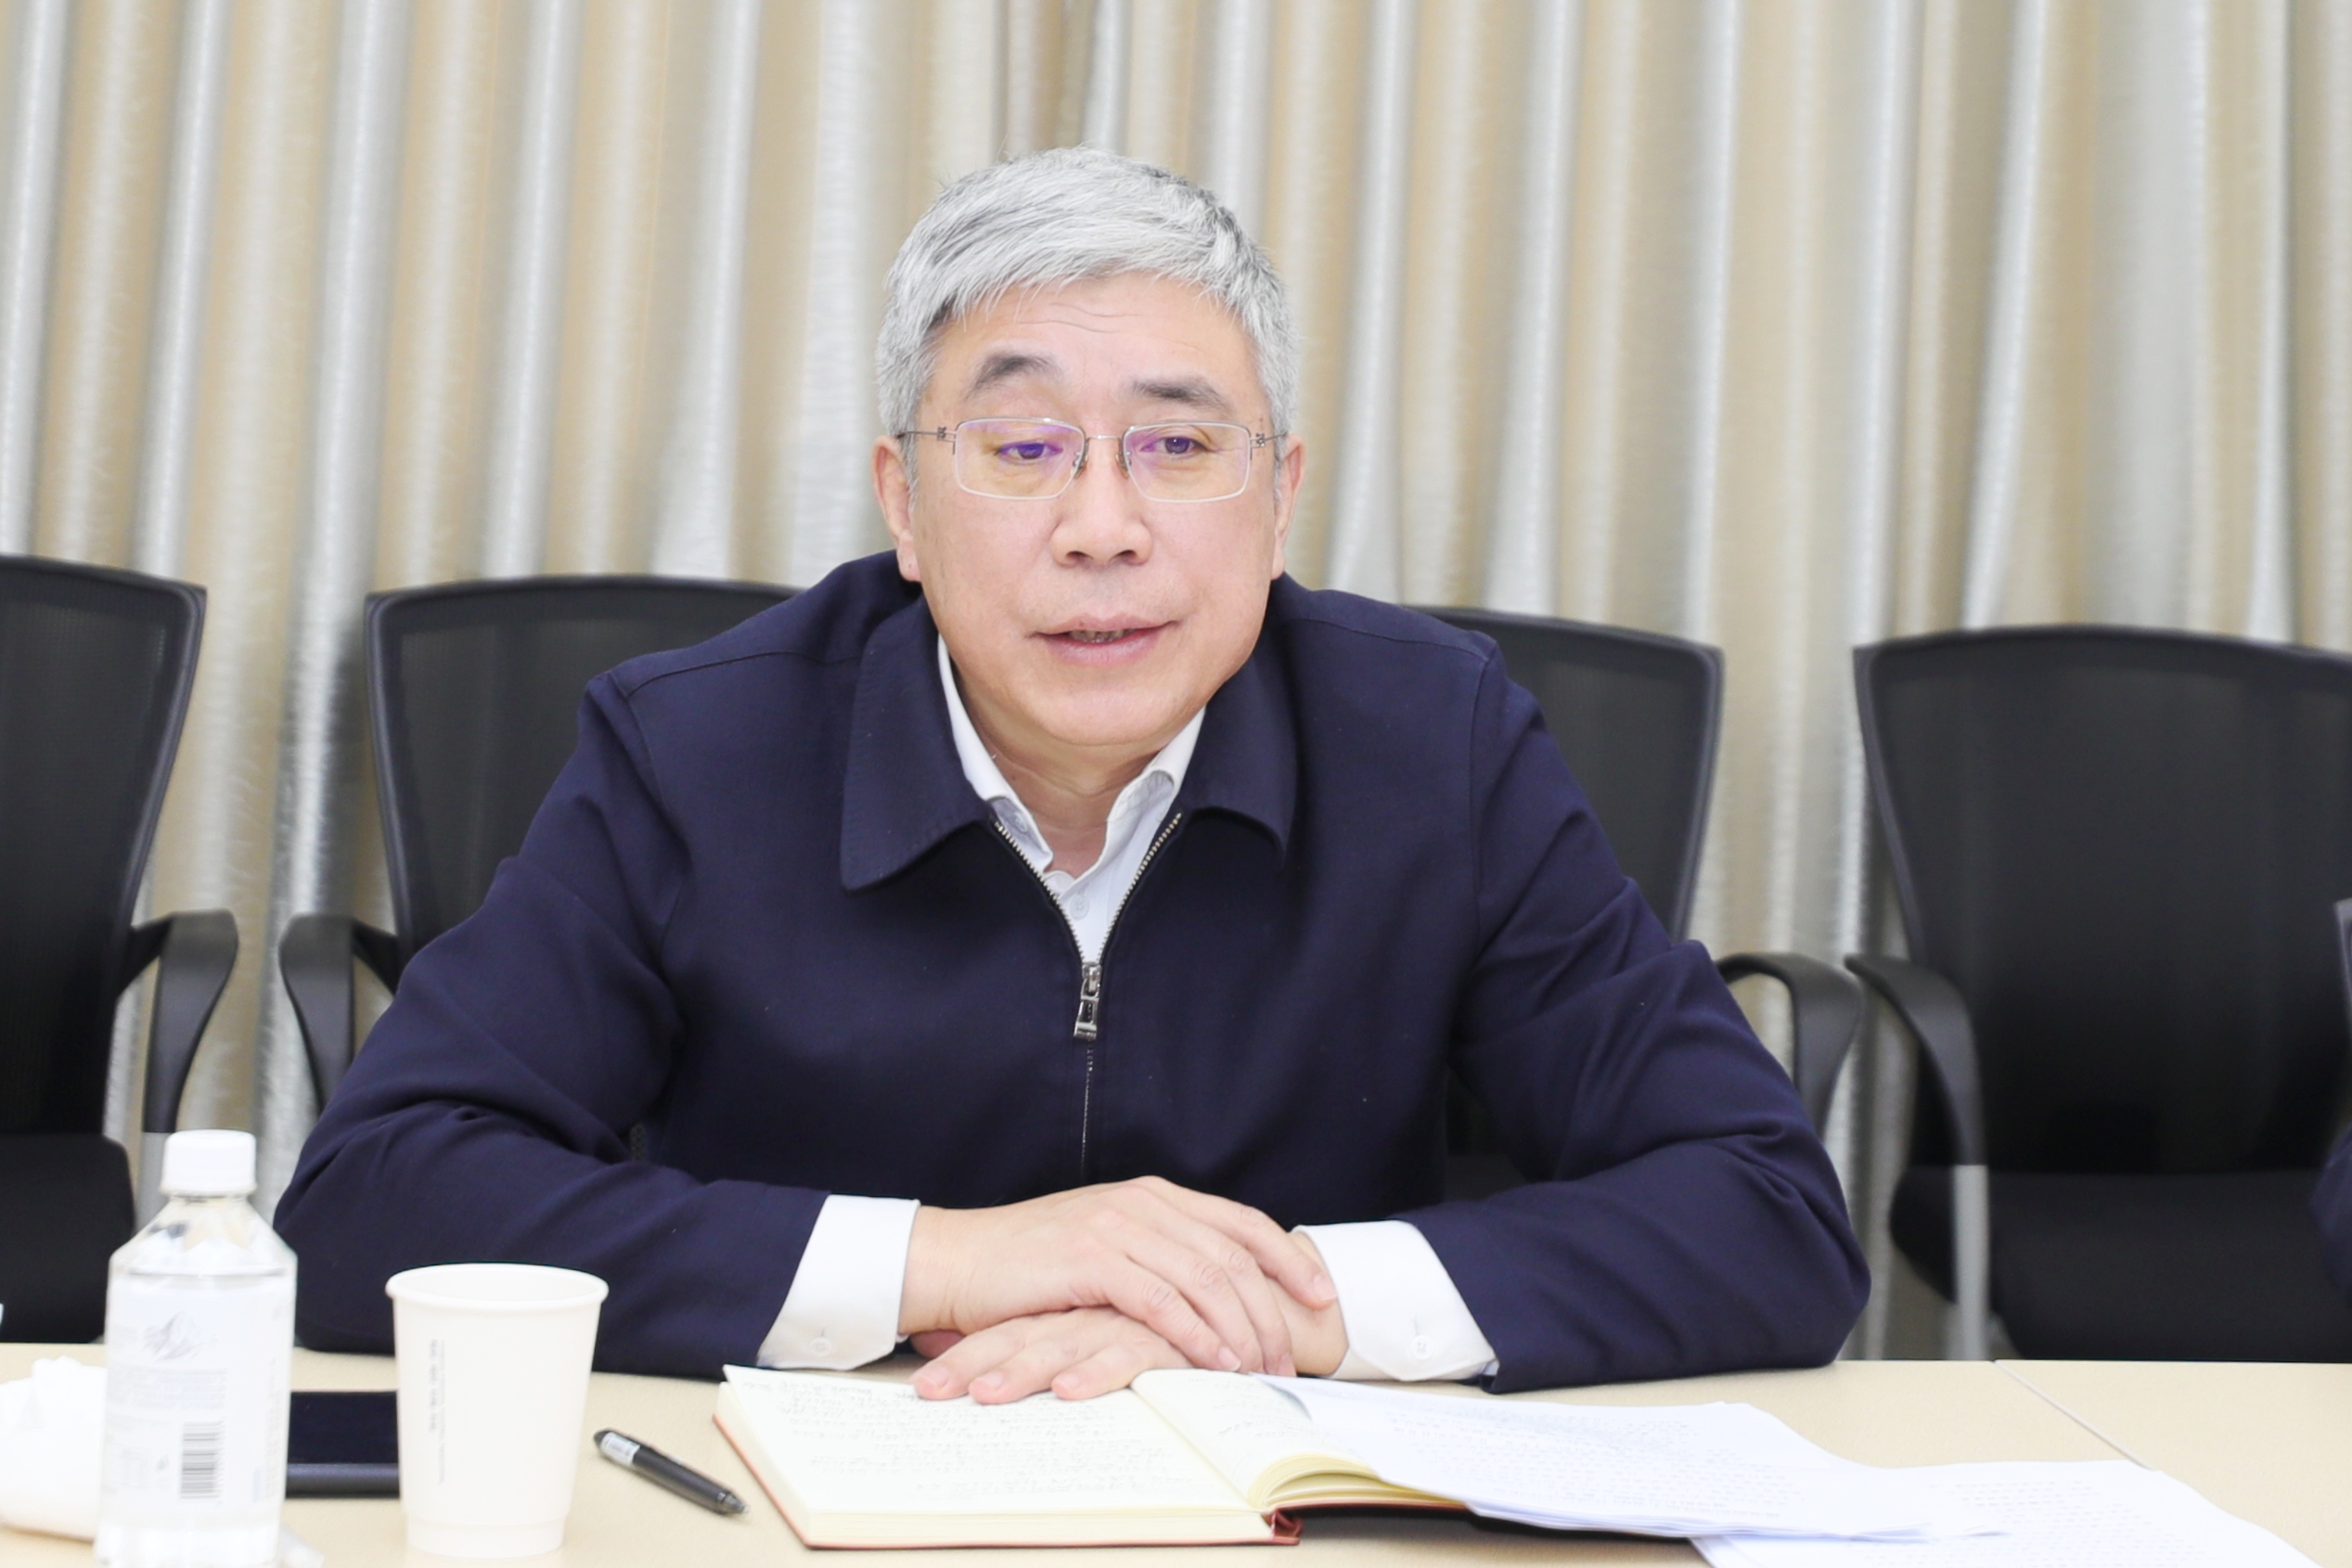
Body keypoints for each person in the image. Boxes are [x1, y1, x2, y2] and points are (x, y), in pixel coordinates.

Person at [276, 148, 1866, 1401]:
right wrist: (955, 1264)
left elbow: (1767, 1211)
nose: (1103, 526)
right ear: (904, 503)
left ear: (1281, 499)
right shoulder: (696, 750)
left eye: (1179, 446)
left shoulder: (1434, 743)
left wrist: (1268, 1311)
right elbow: (375, 1200)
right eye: (1022, 448)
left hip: (1279, 1511)